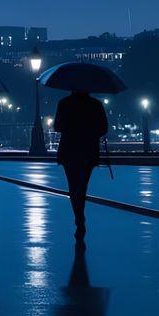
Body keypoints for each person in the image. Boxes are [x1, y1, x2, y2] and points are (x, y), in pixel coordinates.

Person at [53, 90, 109, 243]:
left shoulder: (64, 103)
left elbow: (57, 126)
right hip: (88, 150)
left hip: (69, 149)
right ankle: (80, 215)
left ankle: (79, 217)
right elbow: (103, 128)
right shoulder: (95, 104)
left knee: (73, 186)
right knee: (83, 185)